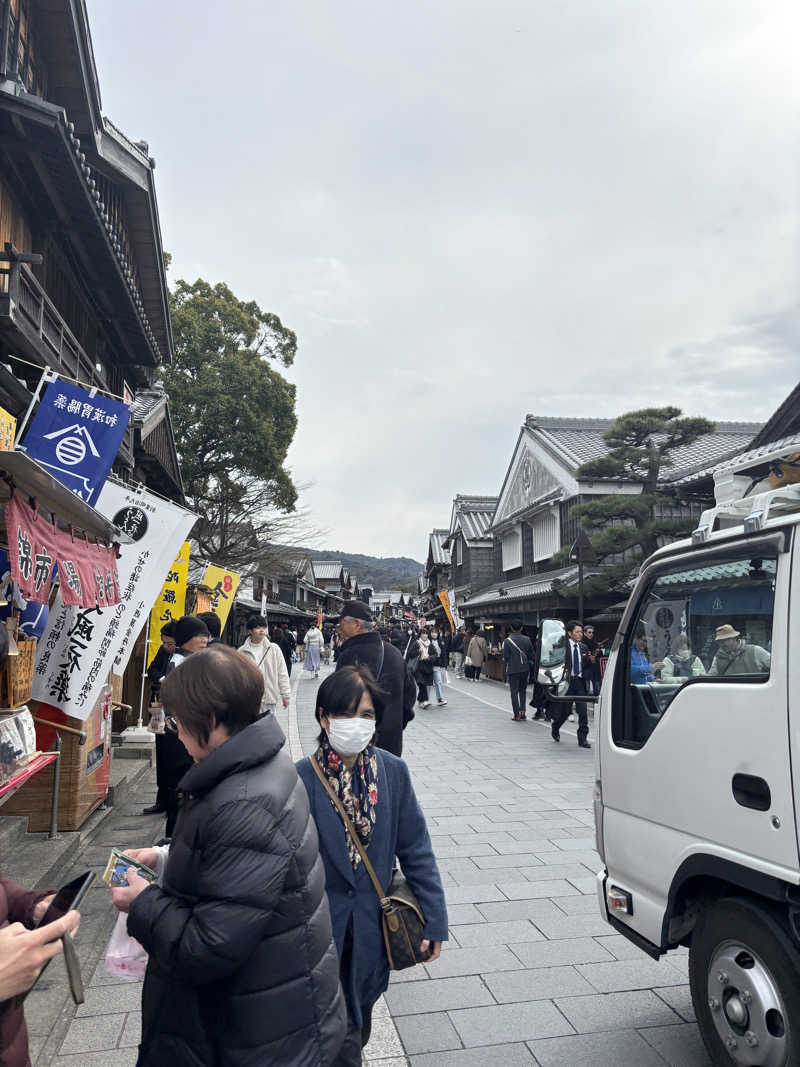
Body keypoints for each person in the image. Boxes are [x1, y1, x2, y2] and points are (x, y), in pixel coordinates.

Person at [110, 645, 347, 1066]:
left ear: (213, 720)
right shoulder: (259, 765)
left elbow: (208, 946)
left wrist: (143, 902)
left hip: (253, 1032)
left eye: (179, 721)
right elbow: (234, 873)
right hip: (267, 1007)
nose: (176, 732)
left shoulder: (244, 801)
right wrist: (165, 859)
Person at [296, 667, 448, 1067]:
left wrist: (435, 920)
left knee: (358, 1022)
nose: (357, 724)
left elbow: (416, 849)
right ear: (323, 718)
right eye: (346, 714)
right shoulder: (299, 779)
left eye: (366, 715)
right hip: (318, 936)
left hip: (371, 933)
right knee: (334, 1034)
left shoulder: (392, 772)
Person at [152, 615, 211, 834]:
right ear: (186, 638)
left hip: (186, 735)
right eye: (199, 635)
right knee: (181, 790)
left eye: (206, 635)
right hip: (182, 738)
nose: (204, 639)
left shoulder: (189, 660)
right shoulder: (180, 663)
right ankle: (174, 839)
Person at [334, 600, 416, 756]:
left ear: (356, 624)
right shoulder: (394, 652)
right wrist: (395, 723)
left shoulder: (349, 656)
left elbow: (338, 701)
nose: (339, 629)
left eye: (342, 623)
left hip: (358, 744)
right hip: (391, 743)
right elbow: (410, 694)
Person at [550, 620, 591, 748]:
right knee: (565, 711)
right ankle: (556, 727)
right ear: (569, 633)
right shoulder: (561, 646)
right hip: (566, 682)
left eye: (581, 632)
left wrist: (587, 677)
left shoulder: (583, 647)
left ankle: (582, 738)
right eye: (577, 632)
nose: (580, 634)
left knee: (583, 711)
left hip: (579, 682)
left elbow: (587, 666)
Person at [238, 615, 290, 715]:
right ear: (250, 631)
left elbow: (282, 672)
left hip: (269, 698)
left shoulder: (273, 649)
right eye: (258, 628)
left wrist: (285, 695)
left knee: (268, 724)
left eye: (264, 627)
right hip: (250, 699)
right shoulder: (242, 652)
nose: (262, 630)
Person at [503, 621, 533, 721]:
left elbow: (506, 657)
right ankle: (523, 712)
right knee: (523, 691)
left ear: (511, 628)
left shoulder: (507, 641)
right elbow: (531, 655)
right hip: (525, 669)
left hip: (513, 669)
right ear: (521, 628)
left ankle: (516, 714)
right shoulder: (527, 639)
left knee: (514, 692)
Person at [410, 628, 435, 708]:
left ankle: (421, 701)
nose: (425, 635)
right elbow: (410, 654)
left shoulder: (430, 644)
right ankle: (424, 701)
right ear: (420, 634)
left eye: (426, 633)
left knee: (425, 684)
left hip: (428, 667)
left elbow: (435, 654)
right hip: (418, 667)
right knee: (422, 684)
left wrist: (430, 658)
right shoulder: (416, 643)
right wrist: (418, 651)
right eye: (423, 633)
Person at [581, 624, 603, 696]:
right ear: (585, 633)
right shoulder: (581, 644)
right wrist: (589, 656)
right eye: (589, 632)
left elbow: (600, 654)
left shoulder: (595, 643)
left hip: (595, 670)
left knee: (597, 689)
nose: (591, 634)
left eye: (592, 632)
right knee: (586, 690)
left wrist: (597, 652)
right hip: (586, 670)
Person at [428, 628, 448, 706]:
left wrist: (444, 664)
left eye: (435, 632)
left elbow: (444, 653)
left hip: (437, 664)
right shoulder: (427, 641)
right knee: (428, 683)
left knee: (438, 681)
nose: (434, 634)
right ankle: (425, 699)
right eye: (432, 632)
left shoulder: (441, 641)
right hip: (428, 664)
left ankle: (440, 699)